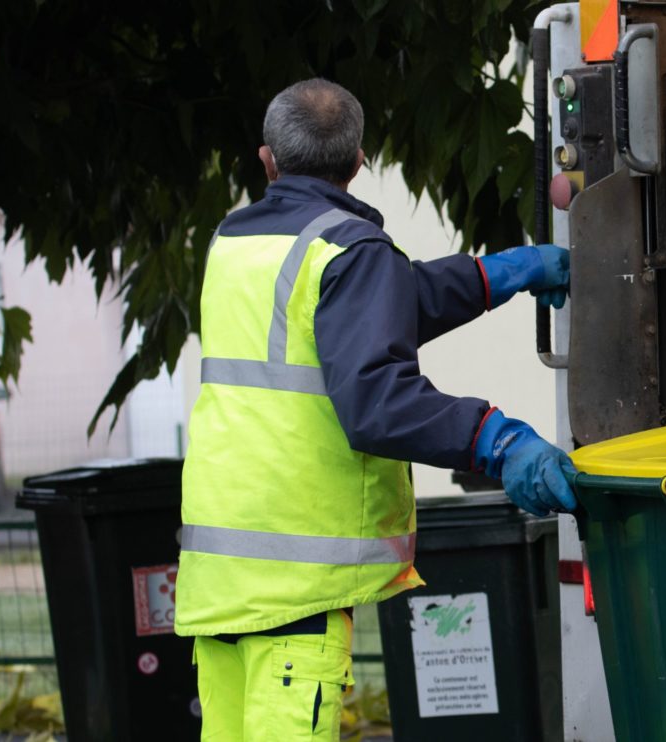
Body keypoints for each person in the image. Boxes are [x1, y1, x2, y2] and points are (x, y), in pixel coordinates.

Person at [173, 78, 576, 741]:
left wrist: (502, 272)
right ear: (360, 160)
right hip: (294, 588)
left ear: (267, 160)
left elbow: (382, 304)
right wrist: (496, 441)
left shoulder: (233, 245)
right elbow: (377, 398)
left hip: (219, 574)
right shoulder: (348, 250)